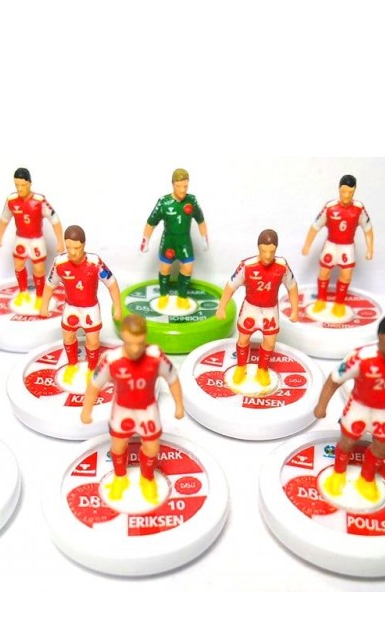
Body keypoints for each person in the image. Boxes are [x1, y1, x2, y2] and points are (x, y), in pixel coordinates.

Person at [313, 314, 385, 503]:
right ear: (379, 337)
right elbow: (334, 380)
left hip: (384, 410)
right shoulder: (361, 357)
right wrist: (322, 405)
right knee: (347, 442)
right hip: (359, 407)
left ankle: (367, 479)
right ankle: (338, 473)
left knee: (383, 447)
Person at [81, 315, 184, 504]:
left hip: (148, 411)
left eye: (139, 343)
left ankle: (147, 479)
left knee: (152, 448)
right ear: (123, 336)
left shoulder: (156, 356)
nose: (135, 349)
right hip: (122, 411)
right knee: (118, 446)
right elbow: (95, 385)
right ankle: (120, 478)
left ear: (145, 337)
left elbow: (173, 379)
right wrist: (86, 411)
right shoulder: (111, 359)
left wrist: (179, 405)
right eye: (130, 343)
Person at [215, 229, 300, 388]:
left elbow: (292, 286)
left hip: (270, 310)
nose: (267, 256)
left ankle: (262, 369)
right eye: (264, 251)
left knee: (270, 343)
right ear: (258, 248)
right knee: (243, 339)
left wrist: (295, 309)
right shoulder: (247, 266)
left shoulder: (282, 266)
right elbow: (231, 286)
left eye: (272, 252)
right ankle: (241, 367)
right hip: (251, 308)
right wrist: (222, 307)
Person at [39, 225, 122, 384]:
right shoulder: (59, 263)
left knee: (93, 340)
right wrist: (44, 306)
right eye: (69, 247)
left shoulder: (95, 262)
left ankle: (92, 369)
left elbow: (111, 283)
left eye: (77, 248)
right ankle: (72, 365)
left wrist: (117, 307)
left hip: (91, 309)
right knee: (68, 337)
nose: (73, 252)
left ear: (84, 245)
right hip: (71, 308)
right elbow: (50, 285)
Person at [300, 174, 374, 318]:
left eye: (350, 192)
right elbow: (315, 227)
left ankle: (339, 303)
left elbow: (368, 229)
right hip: (331, 245)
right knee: (324, 272)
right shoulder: (330, 207)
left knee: (346, 275)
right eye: (344, 191)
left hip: (347, 247)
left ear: (354, 191)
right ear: (339, 189)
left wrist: (370, 248)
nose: (346, 195)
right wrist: (307, 245)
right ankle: (321, 300)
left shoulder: (359, 208)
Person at [0, 167, 65, 309]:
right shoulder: (12, 201)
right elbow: (4, 219)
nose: (20, 189)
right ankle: (23, 293)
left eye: (23, 185)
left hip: (36, 240)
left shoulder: (39, 201)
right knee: (18, 265)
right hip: (21, 238)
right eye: (17, 185)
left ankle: (40, 296)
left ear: (30, 183)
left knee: (38, 268)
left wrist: (60, 241)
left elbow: (55, 220)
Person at [140, 168, 208, 310]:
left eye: (185, 186)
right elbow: (151, 223)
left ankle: (182, 297)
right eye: (179, 186)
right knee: (165, 268)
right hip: (169, 241)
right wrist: (145, 241)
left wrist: (204, 238)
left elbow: (201, 220)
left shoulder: (192, 201)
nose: (182, 190)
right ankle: (163, 295)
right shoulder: (164, 202)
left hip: (184, 241)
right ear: (172, 184)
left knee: (188, 268)